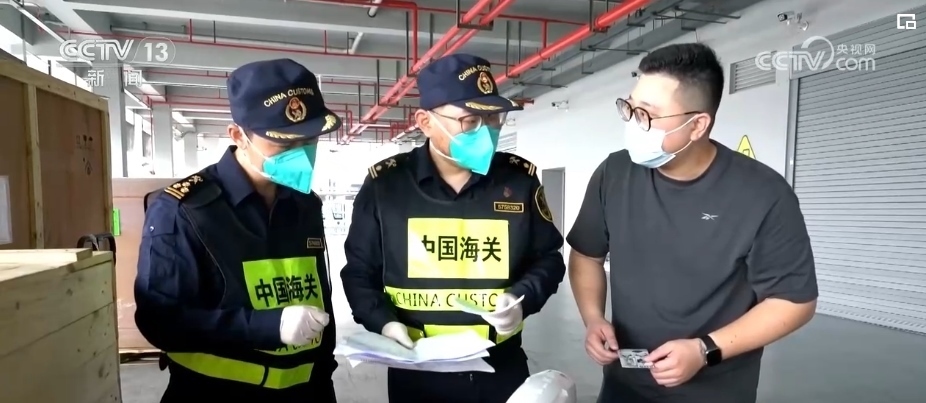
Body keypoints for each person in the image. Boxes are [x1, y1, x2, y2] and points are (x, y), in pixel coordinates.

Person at [567, 43, 819, 403]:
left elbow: (793, 301)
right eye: (631, 108)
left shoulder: (763, 194)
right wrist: (593, 318)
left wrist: (705, 349)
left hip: (715, 392)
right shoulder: (614, 174)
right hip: (624, 387)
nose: (634, 123)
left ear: (697, 124)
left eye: (647, 115)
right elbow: (586, 256)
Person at [340, 53, 567, 403]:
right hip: (416, 371)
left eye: (493, 118)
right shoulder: (387, 187)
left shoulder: (519, 182)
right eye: (471, 120)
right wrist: (383, 322)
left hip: (500, 367)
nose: (487, 131)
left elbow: (548, 259)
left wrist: (522, 299)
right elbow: (358, 271)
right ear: (426, 122)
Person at [134, 58, 342, 402]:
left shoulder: (304, 204)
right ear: (238, 136)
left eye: (308, 141)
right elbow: (161, 321)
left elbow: (319, 296)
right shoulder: (185, 210)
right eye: (284, 144)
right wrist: (267, 326)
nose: (301, 155)